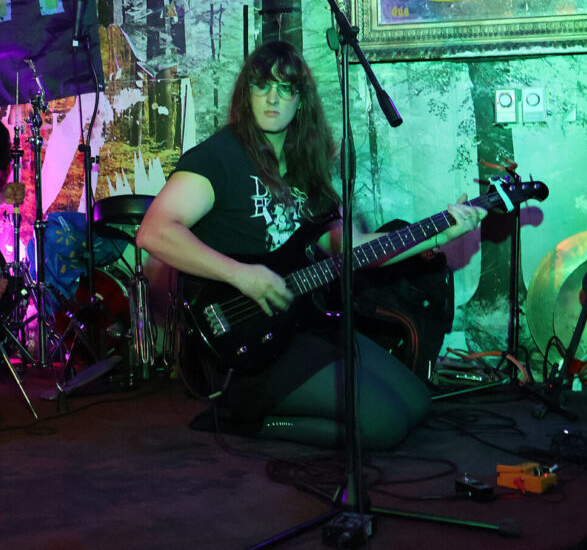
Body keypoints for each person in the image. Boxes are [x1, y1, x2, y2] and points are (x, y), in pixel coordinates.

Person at [136, 40, 485, 449]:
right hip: (242, 336)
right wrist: (242, 275)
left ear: (300, 101)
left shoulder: (304, 169)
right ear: (245, 93)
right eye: (262, 85)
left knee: (416, 402)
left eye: (286, 88)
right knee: (382, 427)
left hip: (303, 325)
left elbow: (352, 247)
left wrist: (439, 232)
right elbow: (154, 232)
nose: (272, 97)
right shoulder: (218, 157)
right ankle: (241, 419)